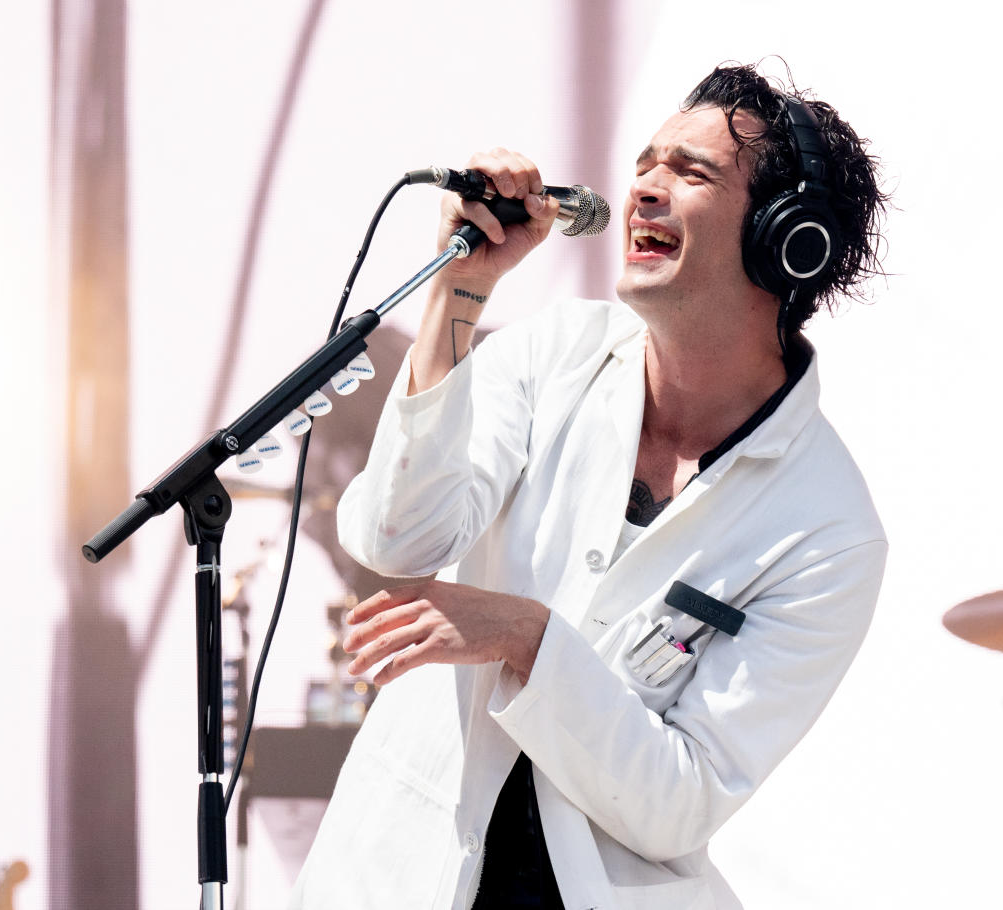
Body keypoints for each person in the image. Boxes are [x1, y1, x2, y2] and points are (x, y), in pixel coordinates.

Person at [289, 62, 889, 910]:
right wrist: (459, 293)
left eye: (691, 172)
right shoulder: (552, 352)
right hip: (397, 876)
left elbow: (675, 803)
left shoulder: (827, 530)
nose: (644, 188)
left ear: (785, 240)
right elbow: (397, 537)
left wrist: (527, 636)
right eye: (646, 163)